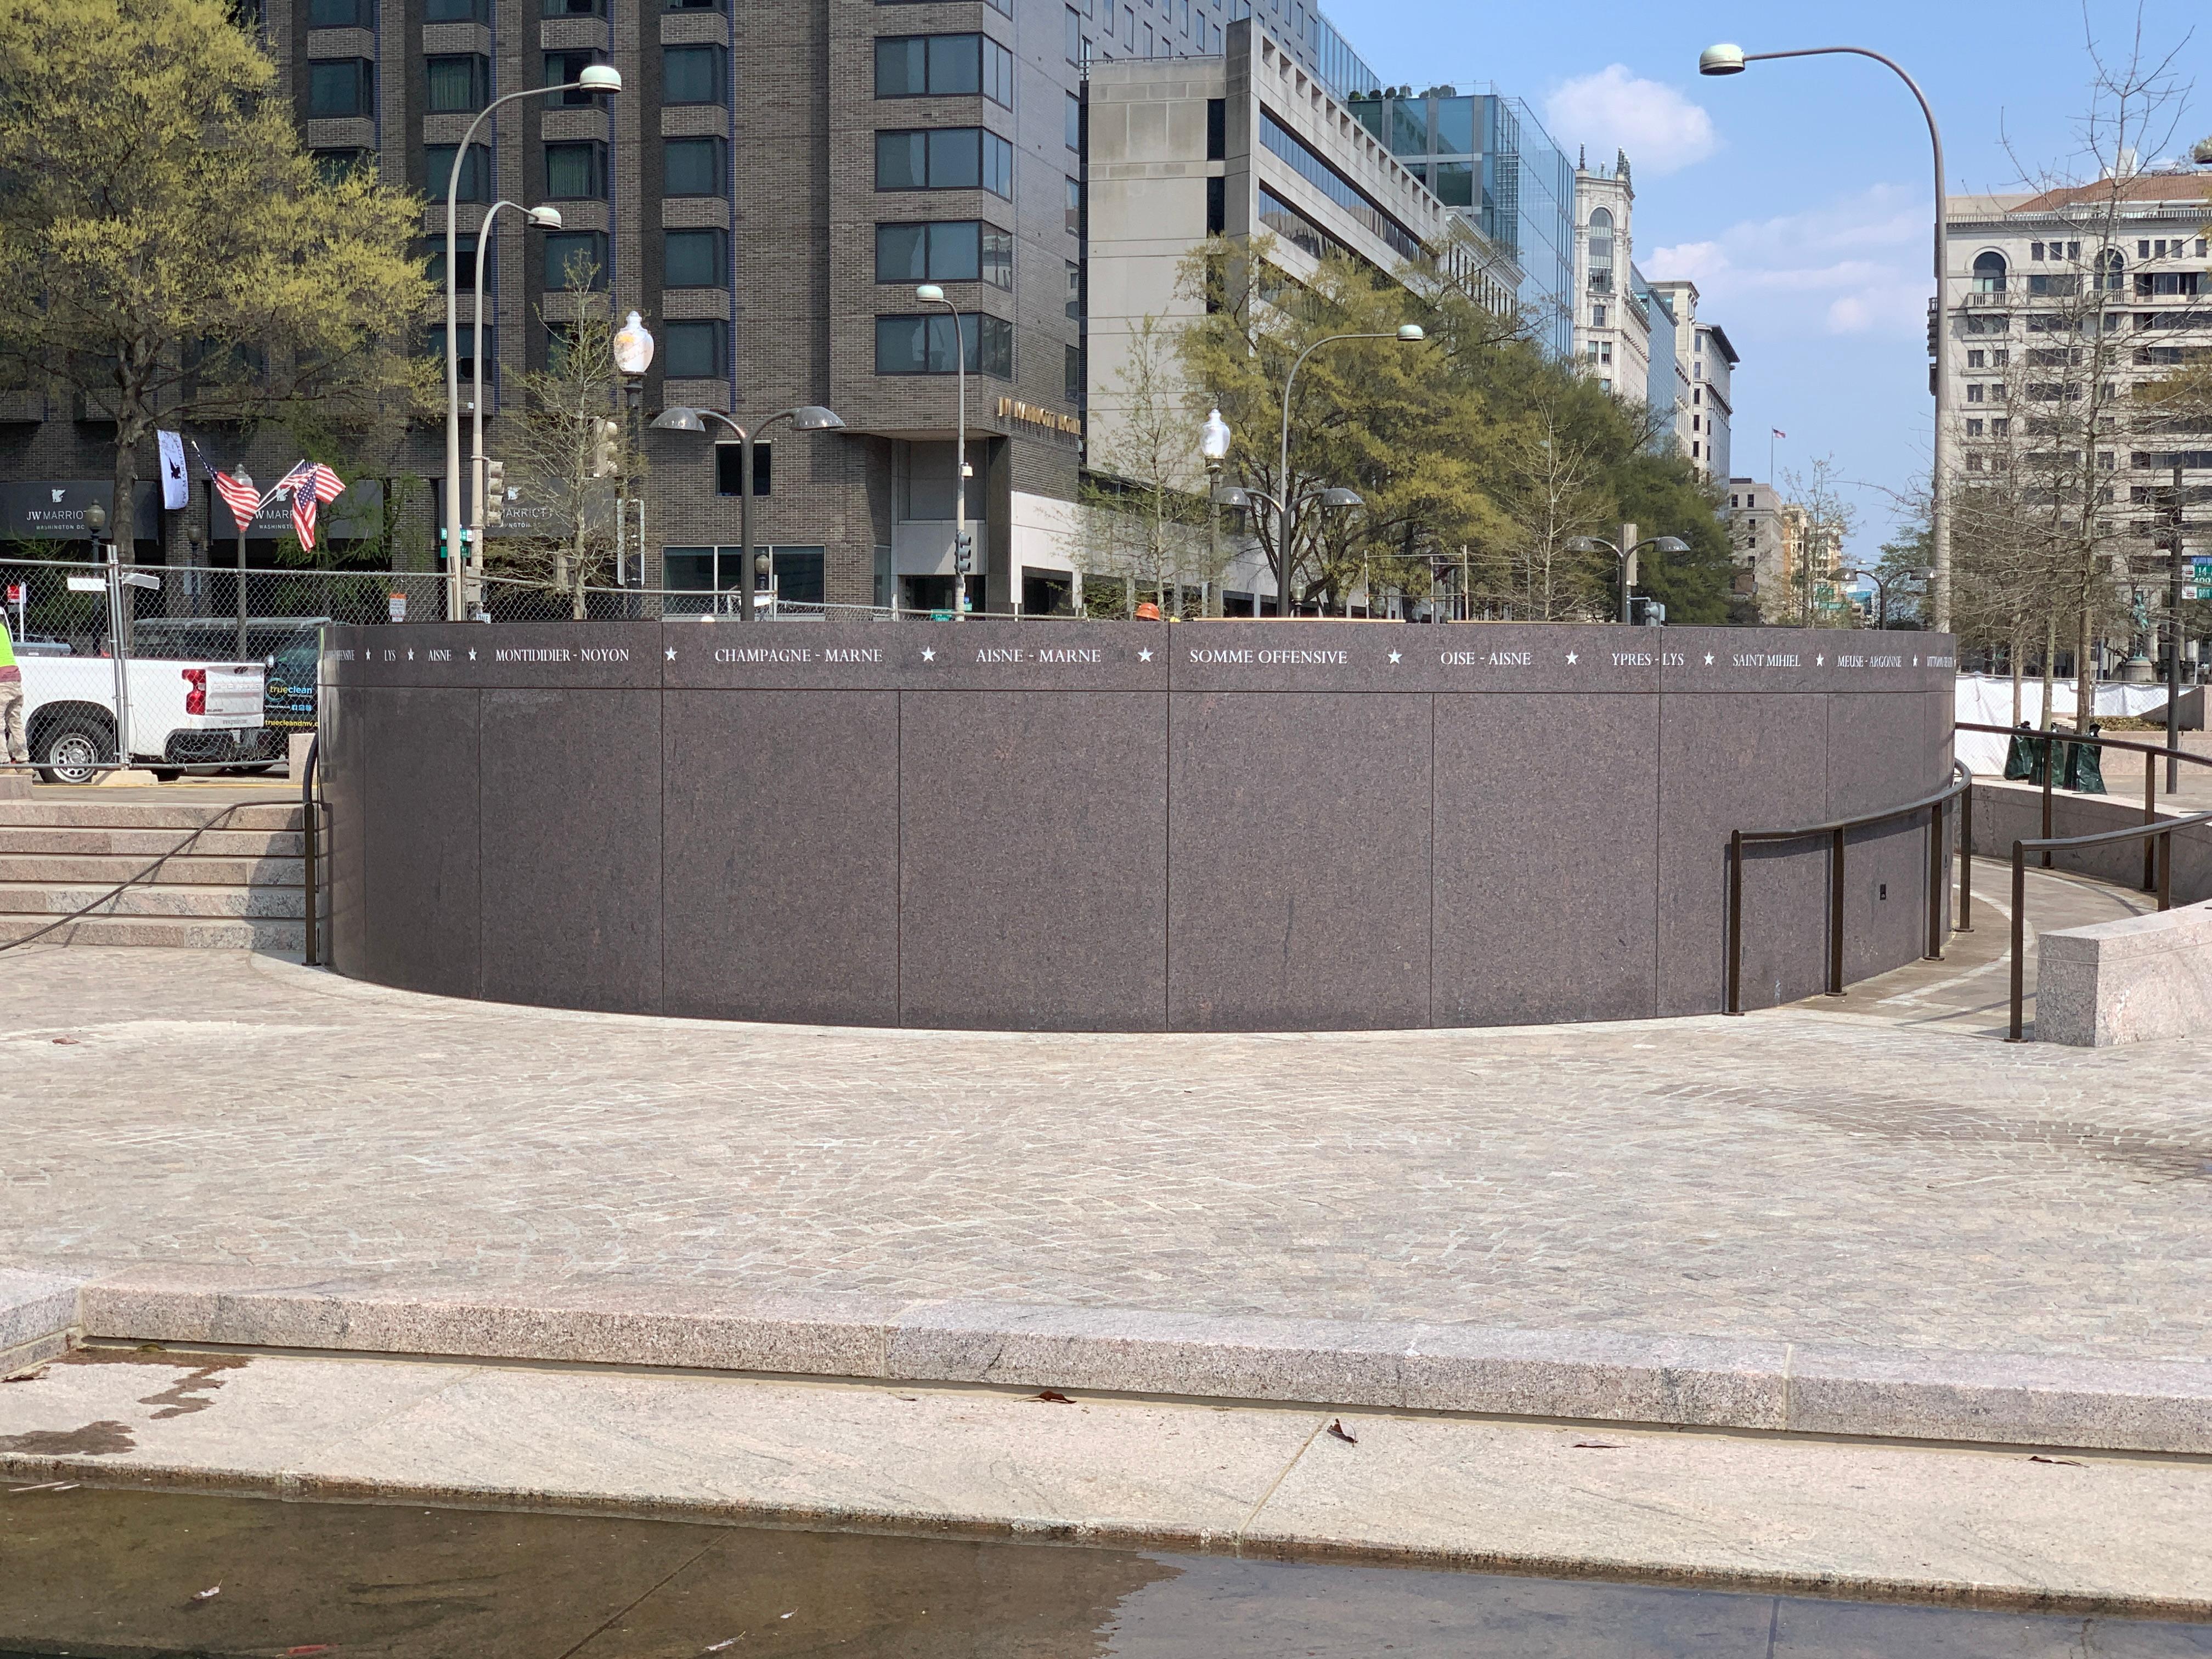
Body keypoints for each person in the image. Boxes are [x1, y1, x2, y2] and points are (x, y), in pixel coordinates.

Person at [0, 611, 25, 771]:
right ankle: (24, 762)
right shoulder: (2, 628)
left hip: (2, 680)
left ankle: (3, 762)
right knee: (15, 721)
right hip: (15, 678)